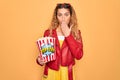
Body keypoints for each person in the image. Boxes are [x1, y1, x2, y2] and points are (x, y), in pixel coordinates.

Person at [36, 3, 83, 80]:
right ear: (56, 17)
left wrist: (68, 35)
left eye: (66, 14)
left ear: (71, 16)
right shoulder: (48, 33)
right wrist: (39, 60)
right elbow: (43, 55)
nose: (63, 18)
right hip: (51, 72)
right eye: (60, 15)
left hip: (67, 73)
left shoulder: (76, 33)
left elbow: (79, 55)